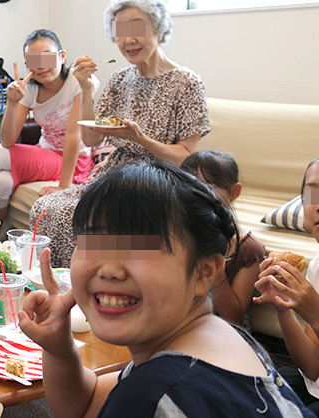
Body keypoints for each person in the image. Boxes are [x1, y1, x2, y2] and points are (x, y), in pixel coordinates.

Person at [18, 161, 313, 417]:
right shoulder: (219, 339)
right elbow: (85, 405)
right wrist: (59, 350)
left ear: (205, 272)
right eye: (93, 243)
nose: (109, 269)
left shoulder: (152, 396)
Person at [31, 0, 210, 267]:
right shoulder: (119, 80)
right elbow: (91, 138)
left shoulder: (187, 83)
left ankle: (90, 293)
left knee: (79, 218)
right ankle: (63, 292)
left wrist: (141, 139)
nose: (128, 40)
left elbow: (187, 157)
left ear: (160, 29)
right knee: (45, 208)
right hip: (114, 175)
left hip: (159, 182)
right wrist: (86, 90)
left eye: (136, 28)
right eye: (120, 31)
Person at [0, 29, 98, 222]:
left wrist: (64, 186)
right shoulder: (29, 88)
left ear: (62, 56)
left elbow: (74, 134)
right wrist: (13, 103)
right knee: (0, 183)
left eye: (46, 58)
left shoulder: (77, 81)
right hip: (46, 153)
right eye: (33, 60)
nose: (41, 67)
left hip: (75, 162)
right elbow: (7, 141)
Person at [254, 158, 319, 414]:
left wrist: (315, 314)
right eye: (312, 193)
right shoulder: (316, 267)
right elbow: (312, 368)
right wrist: (283, 309)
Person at [180, 150, 266, 326]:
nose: (199, 192)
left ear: (235, 192)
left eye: (211, 185)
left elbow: (232, 315)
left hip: (220, 331)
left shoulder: (248, 248)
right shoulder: (170, 234)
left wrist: (211, 249)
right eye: (190, 183)